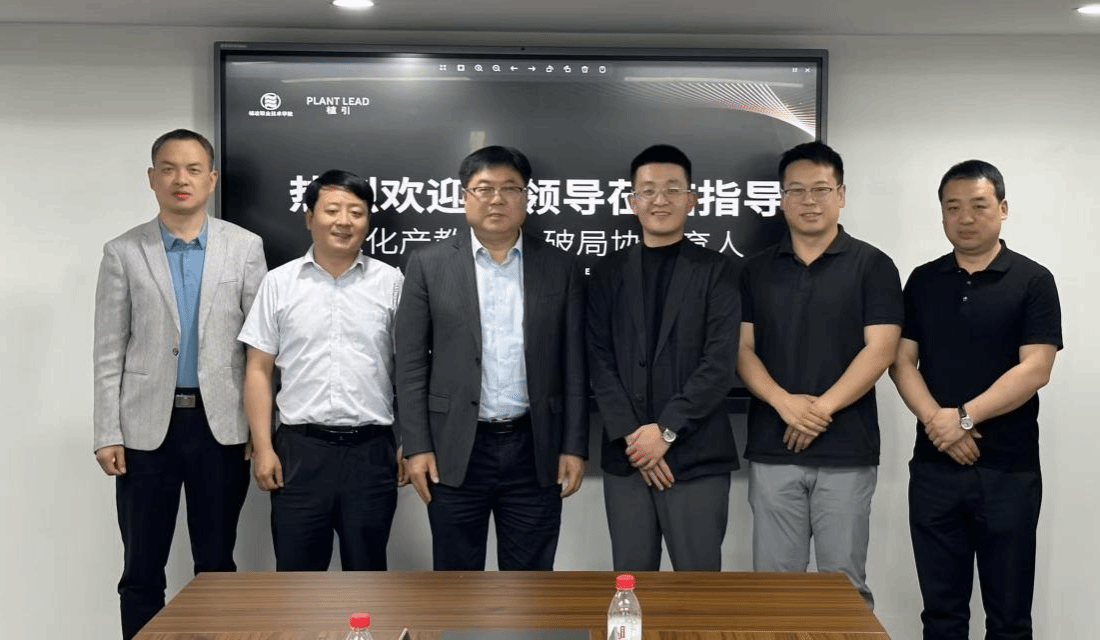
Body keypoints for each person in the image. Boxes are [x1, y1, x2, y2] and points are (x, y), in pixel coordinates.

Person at [93, 128, 266, 639]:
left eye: (192, 169)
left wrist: (261, 431)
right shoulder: (124, 251)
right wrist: (107, 431)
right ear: (152, 178)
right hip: (145, 430)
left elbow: (261, 349)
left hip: (221, 427)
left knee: (216, 563)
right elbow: (108, 350)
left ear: (212, 179)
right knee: (142, 568)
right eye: (168, 169)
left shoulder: (245, 247)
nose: (180, 179)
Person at [889, 159, 1061, 640]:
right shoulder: (923, 280)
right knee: (941, 616)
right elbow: (901, 361)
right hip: (935, 468)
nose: (965, 217)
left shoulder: (1032, 280)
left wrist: (964, 418)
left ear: (1003, 208)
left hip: (1009, 471)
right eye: (953, 207)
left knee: (1009, 618)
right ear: (942, 214)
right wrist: (939, 424)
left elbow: (1036, 368)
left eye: (979, 205)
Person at [395, 145, 589, 571]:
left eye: (509, 188)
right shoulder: (428, 264)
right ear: (464, 196)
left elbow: (575, 364)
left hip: (534, 446)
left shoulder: (560, 266)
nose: (497, 199)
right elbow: (410, 365)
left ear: (526, 197)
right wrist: (417, 444)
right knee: (456, 578)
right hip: (453, 448)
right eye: (484, 188)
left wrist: (574, 445)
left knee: (531, 581)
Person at [737, 141, 902, 607]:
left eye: (821, 189)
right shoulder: (754, 270)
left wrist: (819, 410)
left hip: (846, 449)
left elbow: (882, 348)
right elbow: (741, 349)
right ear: (781, 198)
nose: (809, 201)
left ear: (841, 194)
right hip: (773, 447)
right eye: (796, 190)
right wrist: (784, 403)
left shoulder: (873, 265)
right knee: (774, 590)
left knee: (844, 589)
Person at [238, 169, 405, 571]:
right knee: (297, 579)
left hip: (372, 451)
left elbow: (410, 369)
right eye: (332, 210)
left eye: (356, 212)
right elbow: (258, 369)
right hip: (299, 450)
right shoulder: (279, 283)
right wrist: (264, 448)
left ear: (368, 221)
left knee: (368, 576)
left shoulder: (391, 283)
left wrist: (411, 441)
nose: (344, 221)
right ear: (309, 218)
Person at [586, 144, 740, 571]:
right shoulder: (606, 272)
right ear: (632, 201)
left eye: (673, 189)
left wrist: (666, 431)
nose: (660, 199)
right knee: (631, 582)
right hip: (629, 457)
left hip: (697, 455)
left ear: (692, 199)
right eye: (648, 190)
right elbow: (597, 358)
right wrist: (637, 439)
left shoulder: (718, 270)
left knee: (698, 588)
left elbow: (719, 361)